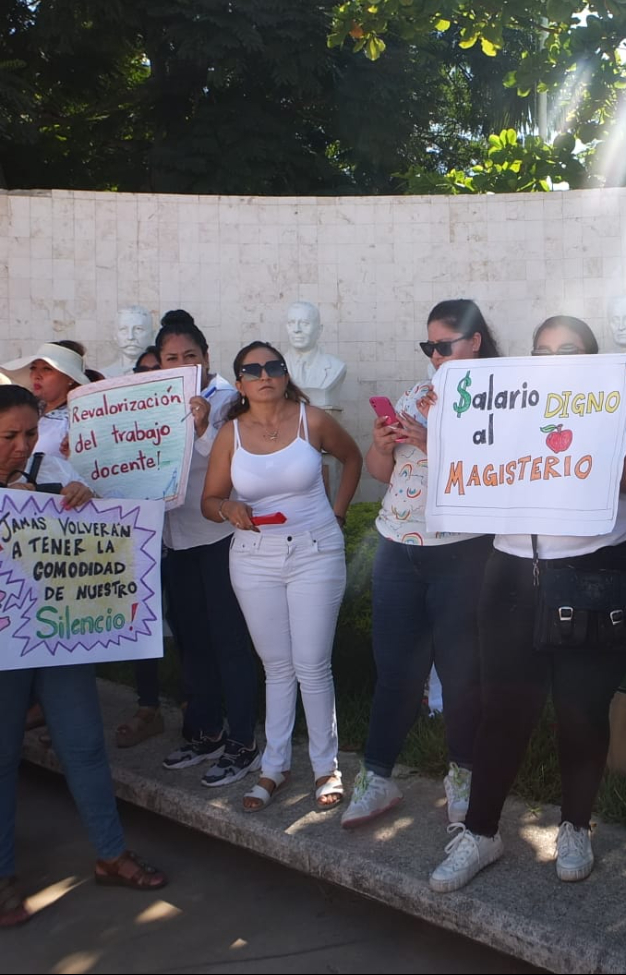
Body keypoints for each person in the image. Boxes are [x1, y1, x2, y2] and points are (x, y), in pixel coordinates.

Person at [428, 315, 626, 892]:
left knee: (581, 709)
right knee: (503, 707)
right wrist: (446, 419)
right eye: (542, 350)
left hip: (595, 573)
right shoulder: (507, 403)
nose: (554, 360)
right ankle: (481, 832)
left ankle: (576, 824)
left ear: (594, 360)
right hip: (511, 570)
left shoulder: (614, 398)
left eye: (569, 350)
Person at [0, 384, 168, 927]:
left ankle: (111, 854)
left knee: (84, 745)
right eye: (8, 436)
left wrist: (81, 499)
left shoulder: (51, 467)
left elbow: (97, 536)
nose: (22, 446)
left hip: (58, 638)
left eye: (30, 433)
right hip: (5, 648)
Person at [341, 300, 501, 829]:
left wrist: (433, 441)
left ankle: (464, 777)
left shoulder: (500, 395)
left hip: (463, 549)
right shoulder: (416, 395)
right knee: (395, 671)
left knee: (461, 673)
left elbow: (499, 474)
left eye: (444, 345)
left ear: (474, 342)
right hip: (397, 543)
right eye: (428, 346)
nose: (434, 355)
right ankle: (377, 776)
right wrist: (382, 443)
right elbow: (382, 472)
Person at [201, 341, 361, 812]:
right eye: (252, 370)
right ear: (240, 383)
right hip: (254, 558)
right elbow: (209, 501)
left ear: (286, 374)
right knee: (276, 666)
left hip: (315, 551)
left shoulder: (313, 420)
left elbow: (353, 458)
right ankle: (274, 767)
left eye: (273, 366)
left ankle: (325, 767)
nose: (264, 375)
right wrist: (227, 508)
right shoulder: (230, 433)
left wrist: (338, 514)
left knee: (311, 664)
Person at [127, 312, 261, 789]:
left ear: (206, 357)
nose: (181, 364)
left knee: (229, 641)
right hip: (174, 538)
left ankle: (243, 741)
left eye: (190, 355)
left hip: (219, 539)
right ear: (158, 362)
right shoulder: (149, 402)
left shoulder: (227, 401)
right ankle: (205, 732)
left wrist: (202, 428)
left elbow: (229, 465)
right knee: (193, 642)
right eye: (171, 358)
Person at [0, 341, 91, 456]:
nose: (36, 376)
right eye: (33, 368)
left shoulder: (80, 419)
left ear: (70, 378)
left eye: (47, 369)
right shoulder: (26, 409)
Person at [282, 301, 347, 410]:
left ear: (319, 330)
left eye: (305, 323)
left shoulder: (336, 367)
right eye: (291, 323)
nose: (297, 330)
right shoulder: (276, 367)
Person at [103, 306, 153, 377]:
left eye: (138, 329)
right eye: (123, 329)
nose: (130, 337)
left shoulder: (163, 372)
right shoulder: (104, 375)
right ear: (115, 335)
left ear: (152, 335)